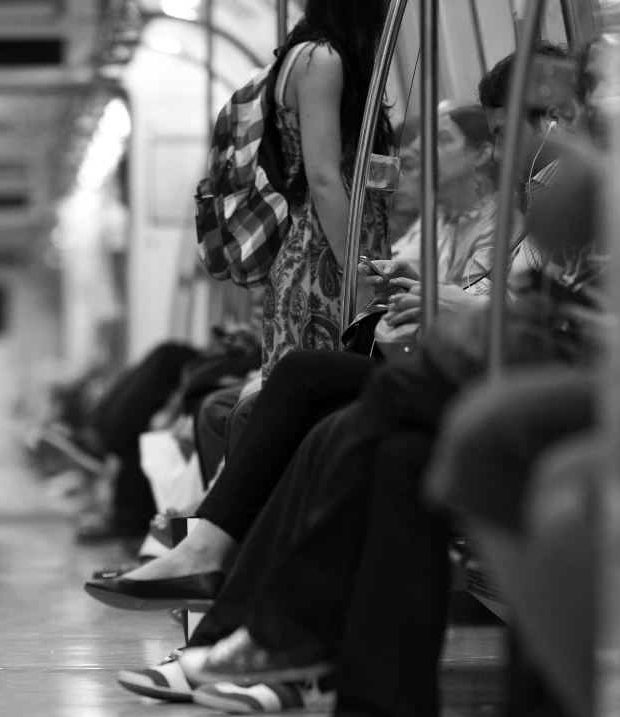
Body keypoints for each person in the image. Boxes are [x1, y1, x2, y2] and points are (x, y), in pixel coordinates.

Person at [87, 101, 503, 602]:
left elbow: (491, 312)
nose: (416, 158)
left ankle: (224, 570)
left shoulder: (492, 224)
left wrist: (430, 298)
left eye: (442, 141)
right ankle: (216, 562)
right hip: (416, 353)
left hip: (451, 366)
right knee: (217, 382)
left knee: (275, 393)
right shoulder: (439, 225)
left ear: (484, 153)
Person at [252, 0, 394, 375]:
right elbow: (325, 179)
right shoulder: (322, 60)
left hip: (320, 254)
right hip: (326, 266)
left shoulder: (308, 53)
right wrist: (358, 275)